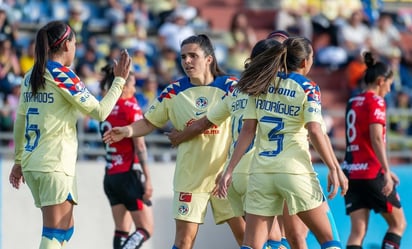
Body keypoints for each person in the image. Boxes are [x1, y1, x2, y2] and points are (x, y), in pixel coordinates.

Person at [103, 34, 244, 249]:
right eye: (183, 57)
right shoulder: (173, 91)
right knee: (184, 241)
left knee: (246, 238)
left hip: (224, 177)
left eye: (193, 56)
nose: (187, 61)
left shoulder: (231, 86)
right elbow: (149, 123)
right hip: (190, 179)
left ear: (209, 59)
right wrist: (128, 130)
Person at [8, 20, 131, 249]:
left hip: (35, 161)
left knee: (66, 228)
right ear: (66, 45)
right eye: (75, 42)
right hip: (53, 162)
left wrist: (18, 160)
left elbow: (21, 121)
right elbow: (101, 112)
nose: (76, 48)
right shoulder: (62, 75)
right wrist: (120, 80)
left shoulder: (30, 75)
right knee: (54, 231)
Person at [214, 37, 345, 249]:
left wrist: (229, 170)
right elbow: (315, 130)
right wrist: (333, 167)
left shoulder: (260, 85)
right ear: (305, 62)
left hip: (261, 172)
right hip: (294, 171)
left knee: (252, 245)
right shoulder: (308, 87)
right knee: (329, 240)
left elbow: (248, 131)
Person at [342, 52, 407, 249]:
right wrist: (386, 171)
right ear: (380, 81)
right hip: (371, 173)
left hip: (351, 173)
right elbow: (376, 137)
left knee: (357, 233)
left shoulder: (352, 102)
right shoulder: (376, 101)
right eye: (389, 83)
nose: (390, 89)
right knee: (398, 224)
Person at [99, 64, 154, 249]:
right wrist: (148, 178)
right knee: (145, 229)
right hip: (128, 174)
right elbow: (140, 145)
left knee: (122, 230)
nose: (135, 89)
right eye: (133, 85)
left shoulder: (104, 107)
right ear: (123, 87)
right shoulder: (131, 107)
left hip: (110, 176)